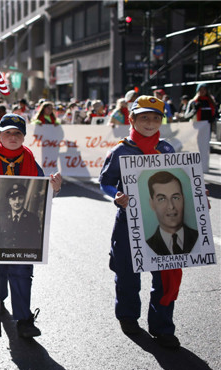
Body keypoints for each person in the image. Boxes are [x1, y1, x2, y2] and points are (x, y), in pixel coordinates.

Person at [99, 95, 182, 349]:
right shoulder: (121, 150)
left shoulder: (167, 148)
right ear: (132, 119)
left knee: (164, 275)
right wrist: (117, 195)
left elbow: (180, 179)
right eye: (144, 117)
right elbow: (105, 182)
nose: (150, 122)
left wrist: (196, 194)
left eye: (156, 118)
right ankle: (127, 316)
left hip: (161, 222)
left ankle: (162, 327)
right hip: (129, 223)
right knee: (127, 273)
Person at [0, 114, 62, 338]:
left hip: (23, 233)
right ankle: (1, 297)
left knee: (22, 273)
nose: (12, 137)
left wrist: (54, 188)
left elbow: (43, 197)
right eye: (7, 132)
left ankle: (24, 319)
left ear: (24, 136)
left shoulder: (32, 163)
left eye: (17, 133)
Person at [145, 171, 198, 255]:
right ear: (152, 204)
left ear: (183, 199)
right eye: (162, 199)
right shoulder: (147, 247)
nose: (171, 206)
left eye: (175, 197)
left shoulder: (199, 239)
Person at [0, 182, 42, 248]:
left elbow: (36, 244)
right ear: (9, 201)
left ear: (24, 199)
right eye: (13, 199)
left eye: (20, 198)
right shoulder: (2, 219)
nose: (17, 202)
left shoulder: (33, 219)